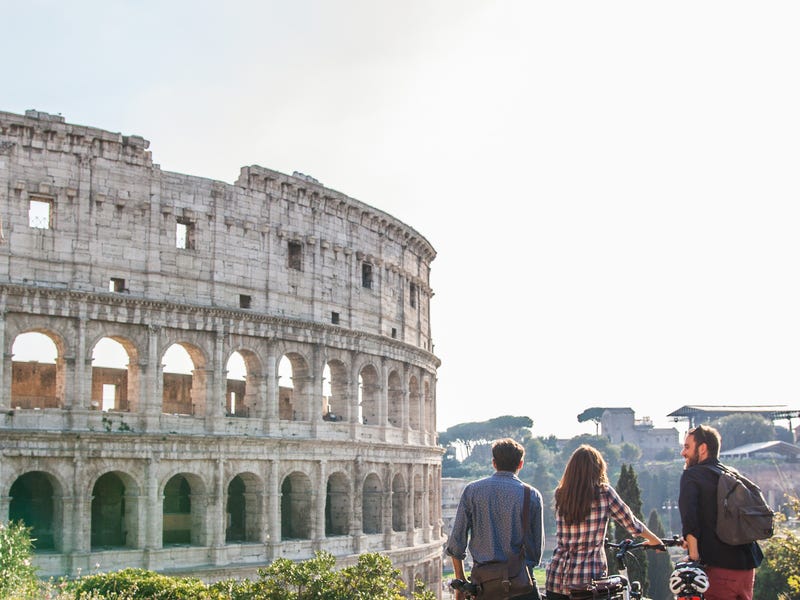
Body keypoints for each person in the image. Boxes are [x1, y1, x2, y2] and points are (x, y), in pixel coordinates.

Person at [545, 444, 662, 599]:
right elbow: (632, 523)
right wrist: (655, 540)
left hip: (556, 578)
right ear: (597, 468)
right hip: (587, 581)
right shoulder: (603, 493)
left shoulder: (560, 493)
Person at [446, 438, 544, 600]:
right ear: (520, 464)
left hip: (484, 585)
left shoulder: (472, 490)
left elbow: (456, 543)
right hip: (521, 584)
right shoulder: (532, 495)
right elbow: (536, 551)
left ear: (494, 463)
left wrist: (461, 581)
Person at [678, 425, 763, 600]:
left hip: (717, 569)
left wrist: (693, 558)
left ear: (702, 449)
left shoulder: (692, 475)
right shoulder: (731, 473)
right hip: (747, 568)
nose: (682, 453)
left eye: (687, 447)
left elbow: (690, 520)